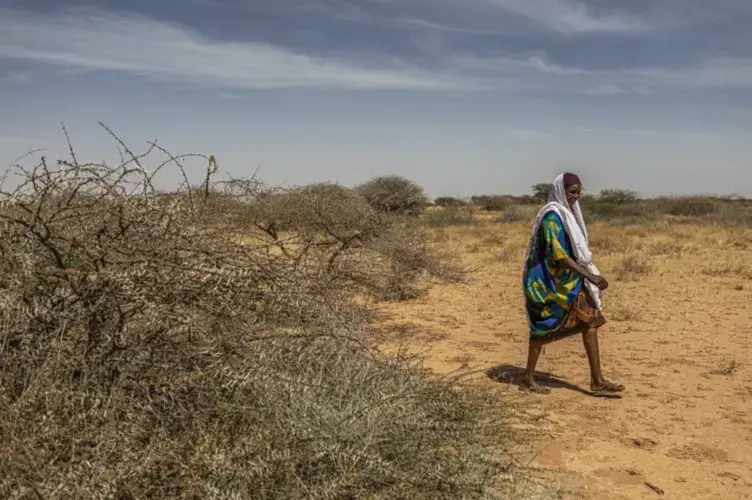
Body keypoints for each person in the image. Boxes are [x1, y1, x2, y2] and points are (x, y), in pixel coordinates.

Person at [520, 172, 624, 395]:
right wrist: (590, 276)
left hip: (568, 281)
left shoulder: (567, 215)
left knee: (590, 321)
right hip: (546, 284)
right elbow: (559, 256)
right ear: (561, 191)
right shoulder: (551, 218)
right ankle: (528, 378)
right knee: (541, 330)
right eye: (571, 192)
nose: (575, 196)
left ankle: (597, 381)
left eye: (578, 192)